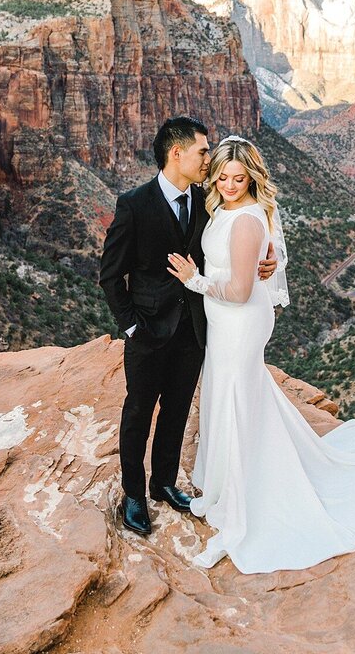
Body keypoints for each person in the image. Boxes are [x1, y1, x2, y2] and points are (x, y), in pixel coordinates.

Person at [166, 135, 355, 574]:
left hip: (238, 319)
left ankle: (245, 496)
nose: (231, 183)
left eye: (240, 177)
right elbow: (251, 256)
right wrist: (262, 257)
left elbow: (238, 290)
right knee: (231, 393)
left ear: (252, 177)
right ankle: (227, 482)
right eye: (223, 176)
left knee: (237, 396)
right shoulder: (220, 207)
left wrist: (194, 280)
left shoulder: (247, 221)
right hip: (222, 323)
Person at [98, 117, 277, 536]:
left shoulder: (208, 201)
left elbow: (240, 240)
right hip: (147, 331)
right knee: (139, 412)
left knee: (177, 410)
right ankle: (134, 495)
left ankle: (163, 483)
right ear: (176, 153)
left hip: (196, 331)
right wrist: (131, 328)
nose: (209, 158)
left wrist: (267, 263)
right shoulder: (134, 204)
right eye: (202, 151)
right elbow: (110, 275)